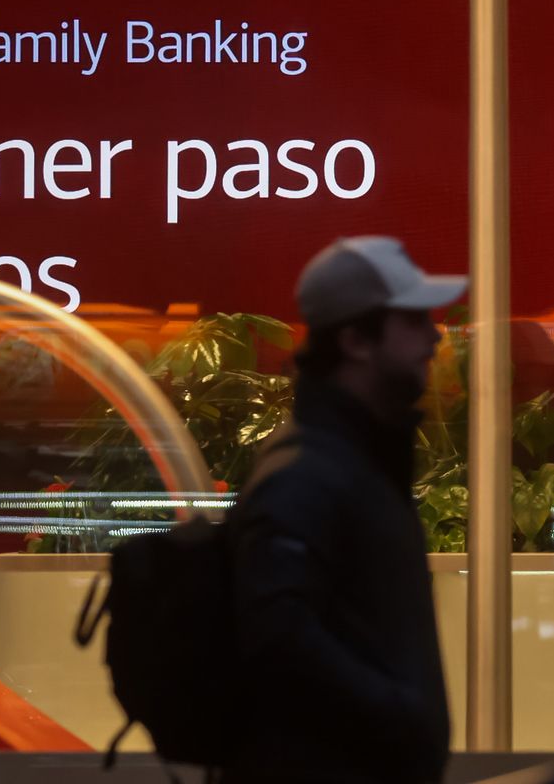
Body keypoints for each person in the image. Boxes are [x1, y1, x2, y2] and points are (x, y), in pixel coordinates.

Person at [224, 237, 463, 783]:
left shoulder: (353, 462)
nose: (434, 336)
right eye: (413, 320)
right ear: (356, 339)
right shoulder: (308, 475)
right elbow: (277, 639)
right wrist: (400, 715)